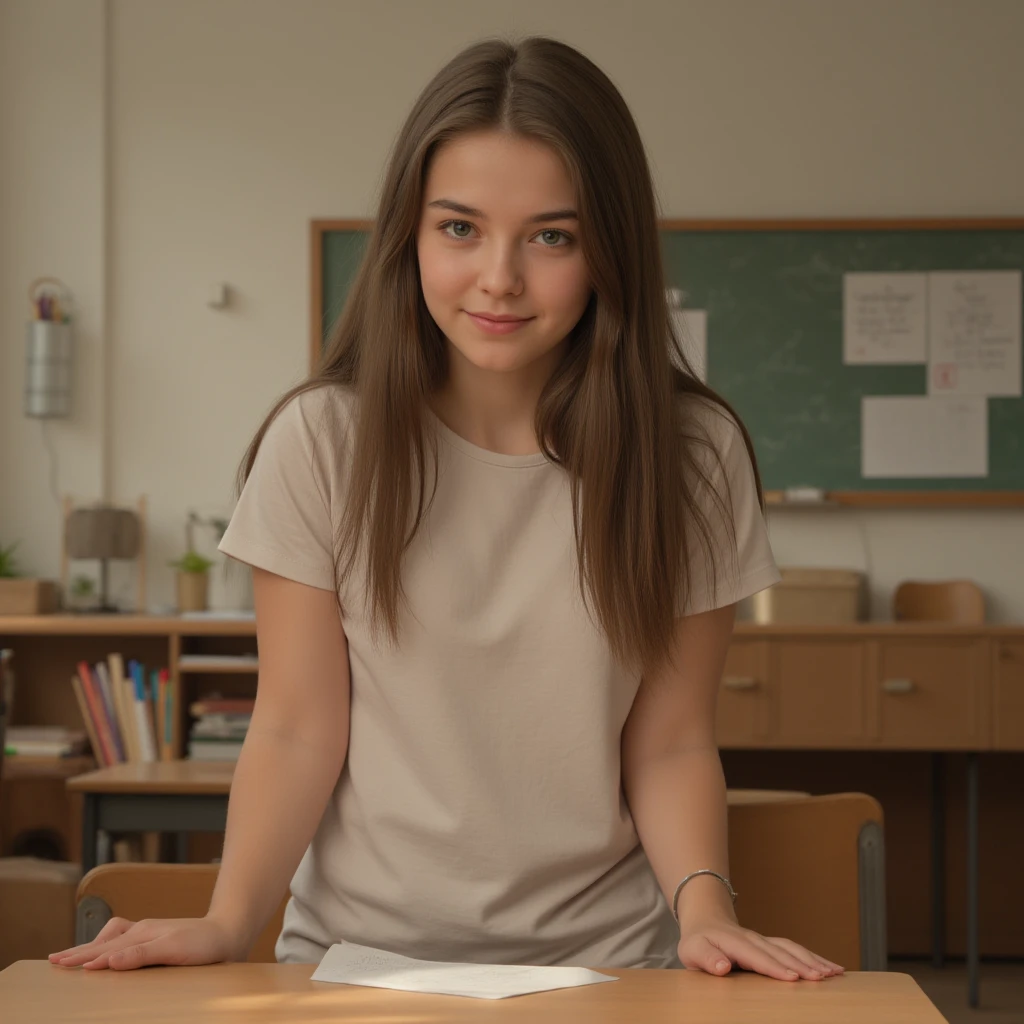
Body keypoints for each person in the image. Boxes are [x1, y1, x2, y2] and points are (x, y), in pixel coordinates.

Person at [51, 36, 841, 982]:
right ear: (410, 236)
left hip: (613, 969)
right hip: (356, 966)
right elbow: (299, 727)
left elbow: (670, 742)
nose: (499, 277)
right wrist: (229, 921)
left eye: (552, 236)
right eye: (460, 228)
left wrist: (704, 911)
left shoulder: (692, 455)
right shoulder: (322, 440)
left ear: (610, 250)